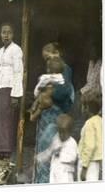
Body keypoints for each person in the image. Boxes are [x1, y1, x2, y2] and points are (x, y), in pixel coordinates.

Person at [34, 42, 75, 183]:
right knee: (43, 144)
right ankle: (40, 179)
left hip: (56, 113)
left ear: (57, 52)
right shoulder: (51, 70)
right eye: (45, 59)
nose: (48, 61)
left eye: (48, 57)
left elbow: (64, 92)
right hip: (47, 113)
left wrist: (48, 95)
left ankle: (47, 181)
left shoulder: (65, 69)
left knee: (52, 145)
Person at [0, 23, 23, 159]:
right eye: (3, 32)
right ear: (0, 34)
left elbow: (18, 72)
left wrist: (15, 95)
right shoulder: (1, 51)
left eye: (9, 32)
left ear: (13, 35)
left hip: (9, 88)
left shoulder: (16, 50)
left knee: (6, 119)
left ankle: (5, 150)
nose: (6, 35)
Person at [35, 114, 78, 183]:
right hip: (55, 169)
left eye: (64, 133)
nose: (62, 135)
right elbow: (50, 150)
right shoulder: (56, 138)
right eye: (60, 132)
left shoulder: (72, 142)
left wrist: (60, 154)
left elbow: (73, 157)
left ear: (70, 132)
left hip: (65, 171)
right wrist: (40, 157)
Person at [29, 56, 66, 122]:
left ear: (48, 69)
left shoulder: (46, 77)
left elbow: (39, 86)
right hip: (53, 103)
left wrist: (36, 94)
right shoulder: (62, 78)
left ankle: (33, 116)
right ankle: (35, 108)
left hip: (45, 100)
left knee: (41, 103)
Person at [78, 94, 103, 181]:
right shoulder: (100, 120)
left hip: (89, 163)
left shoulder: (89, 123)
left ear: (87, 109)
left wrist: (84, 168)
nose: (82, 110)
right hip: (97, 162)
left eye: (83, 107)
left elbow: (90, 146)